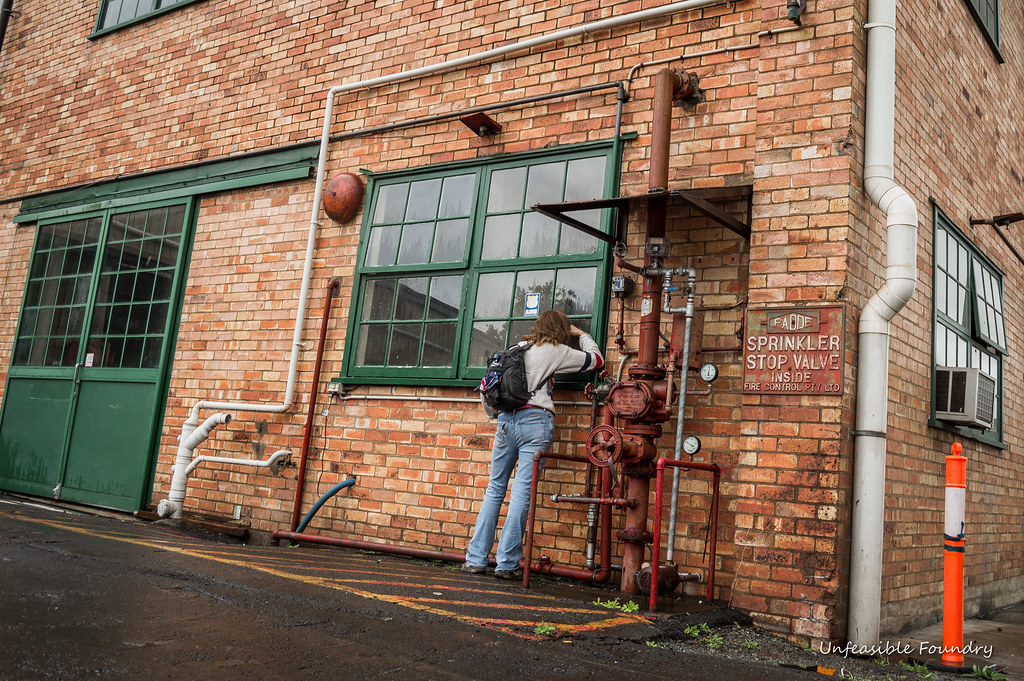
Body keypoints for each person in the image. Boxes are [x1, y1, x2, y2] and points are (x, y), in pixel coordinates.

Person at [462, 309, 604, 580]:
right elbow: (595, 360)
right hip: (535, 423)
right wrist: (582, 334)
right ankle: (506, 564)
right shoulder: (556, 349)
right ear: (561, 331)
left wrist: (496, 417)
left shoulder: (515, 348)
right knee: (521, 494)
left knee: (494, 488)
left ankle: (476, 559)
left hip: (505, 421)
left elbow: (487, 386)